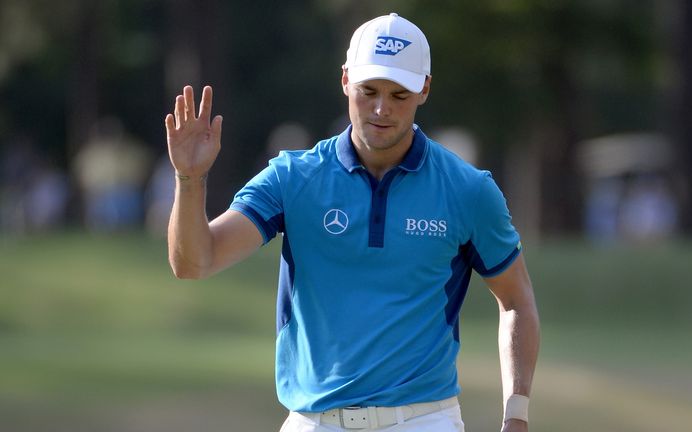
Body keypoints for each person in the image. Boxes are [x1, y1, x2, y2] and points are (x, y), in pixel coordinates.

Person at [165, 13, 539, 432]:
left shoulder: (468, 190)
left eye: (399, 95)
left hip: (423, 420)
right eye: (369, 91)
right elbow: (194, 263)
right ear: (345, 80)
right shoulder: (293, 178)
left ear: (425, 90)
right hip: (313, 421)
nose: (381, 109)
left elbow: (517, 302)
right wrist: (190, 179)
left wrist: (516, 414)